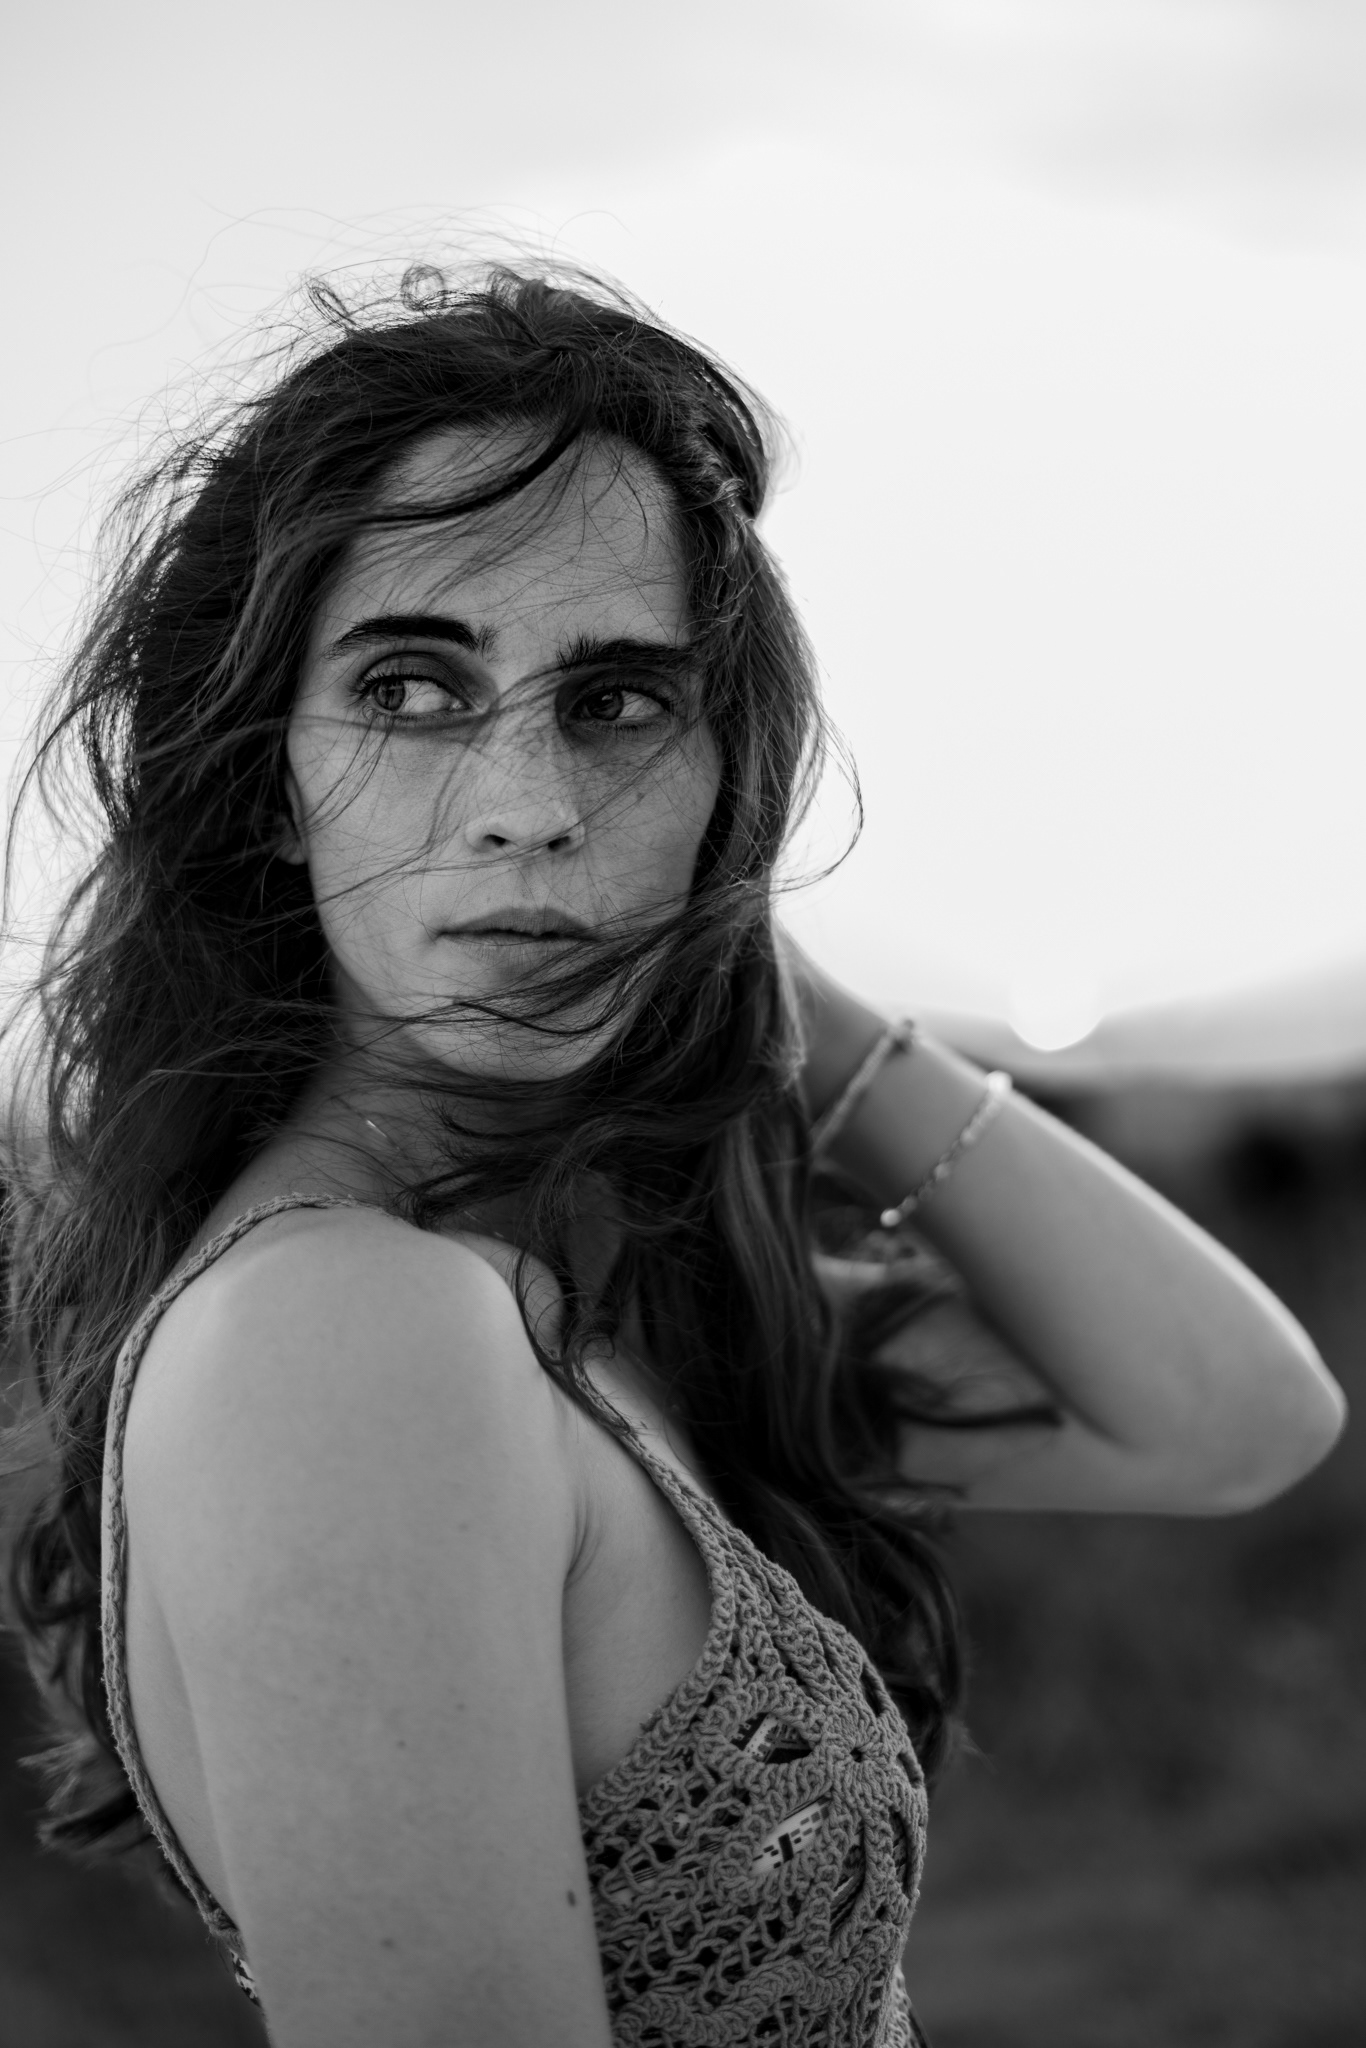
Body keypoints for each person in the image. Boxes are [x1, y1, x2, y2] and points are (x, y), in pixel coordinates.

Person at [0, 261, 1345, 2048]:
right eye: (411, 688)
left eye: (621, 703)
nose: (531, 804)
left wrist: (783, 993)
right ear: (269, 775)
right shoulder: (346, 1334)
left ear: (729, 785)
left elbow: (1231, 1419)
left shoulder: (576, 1302)